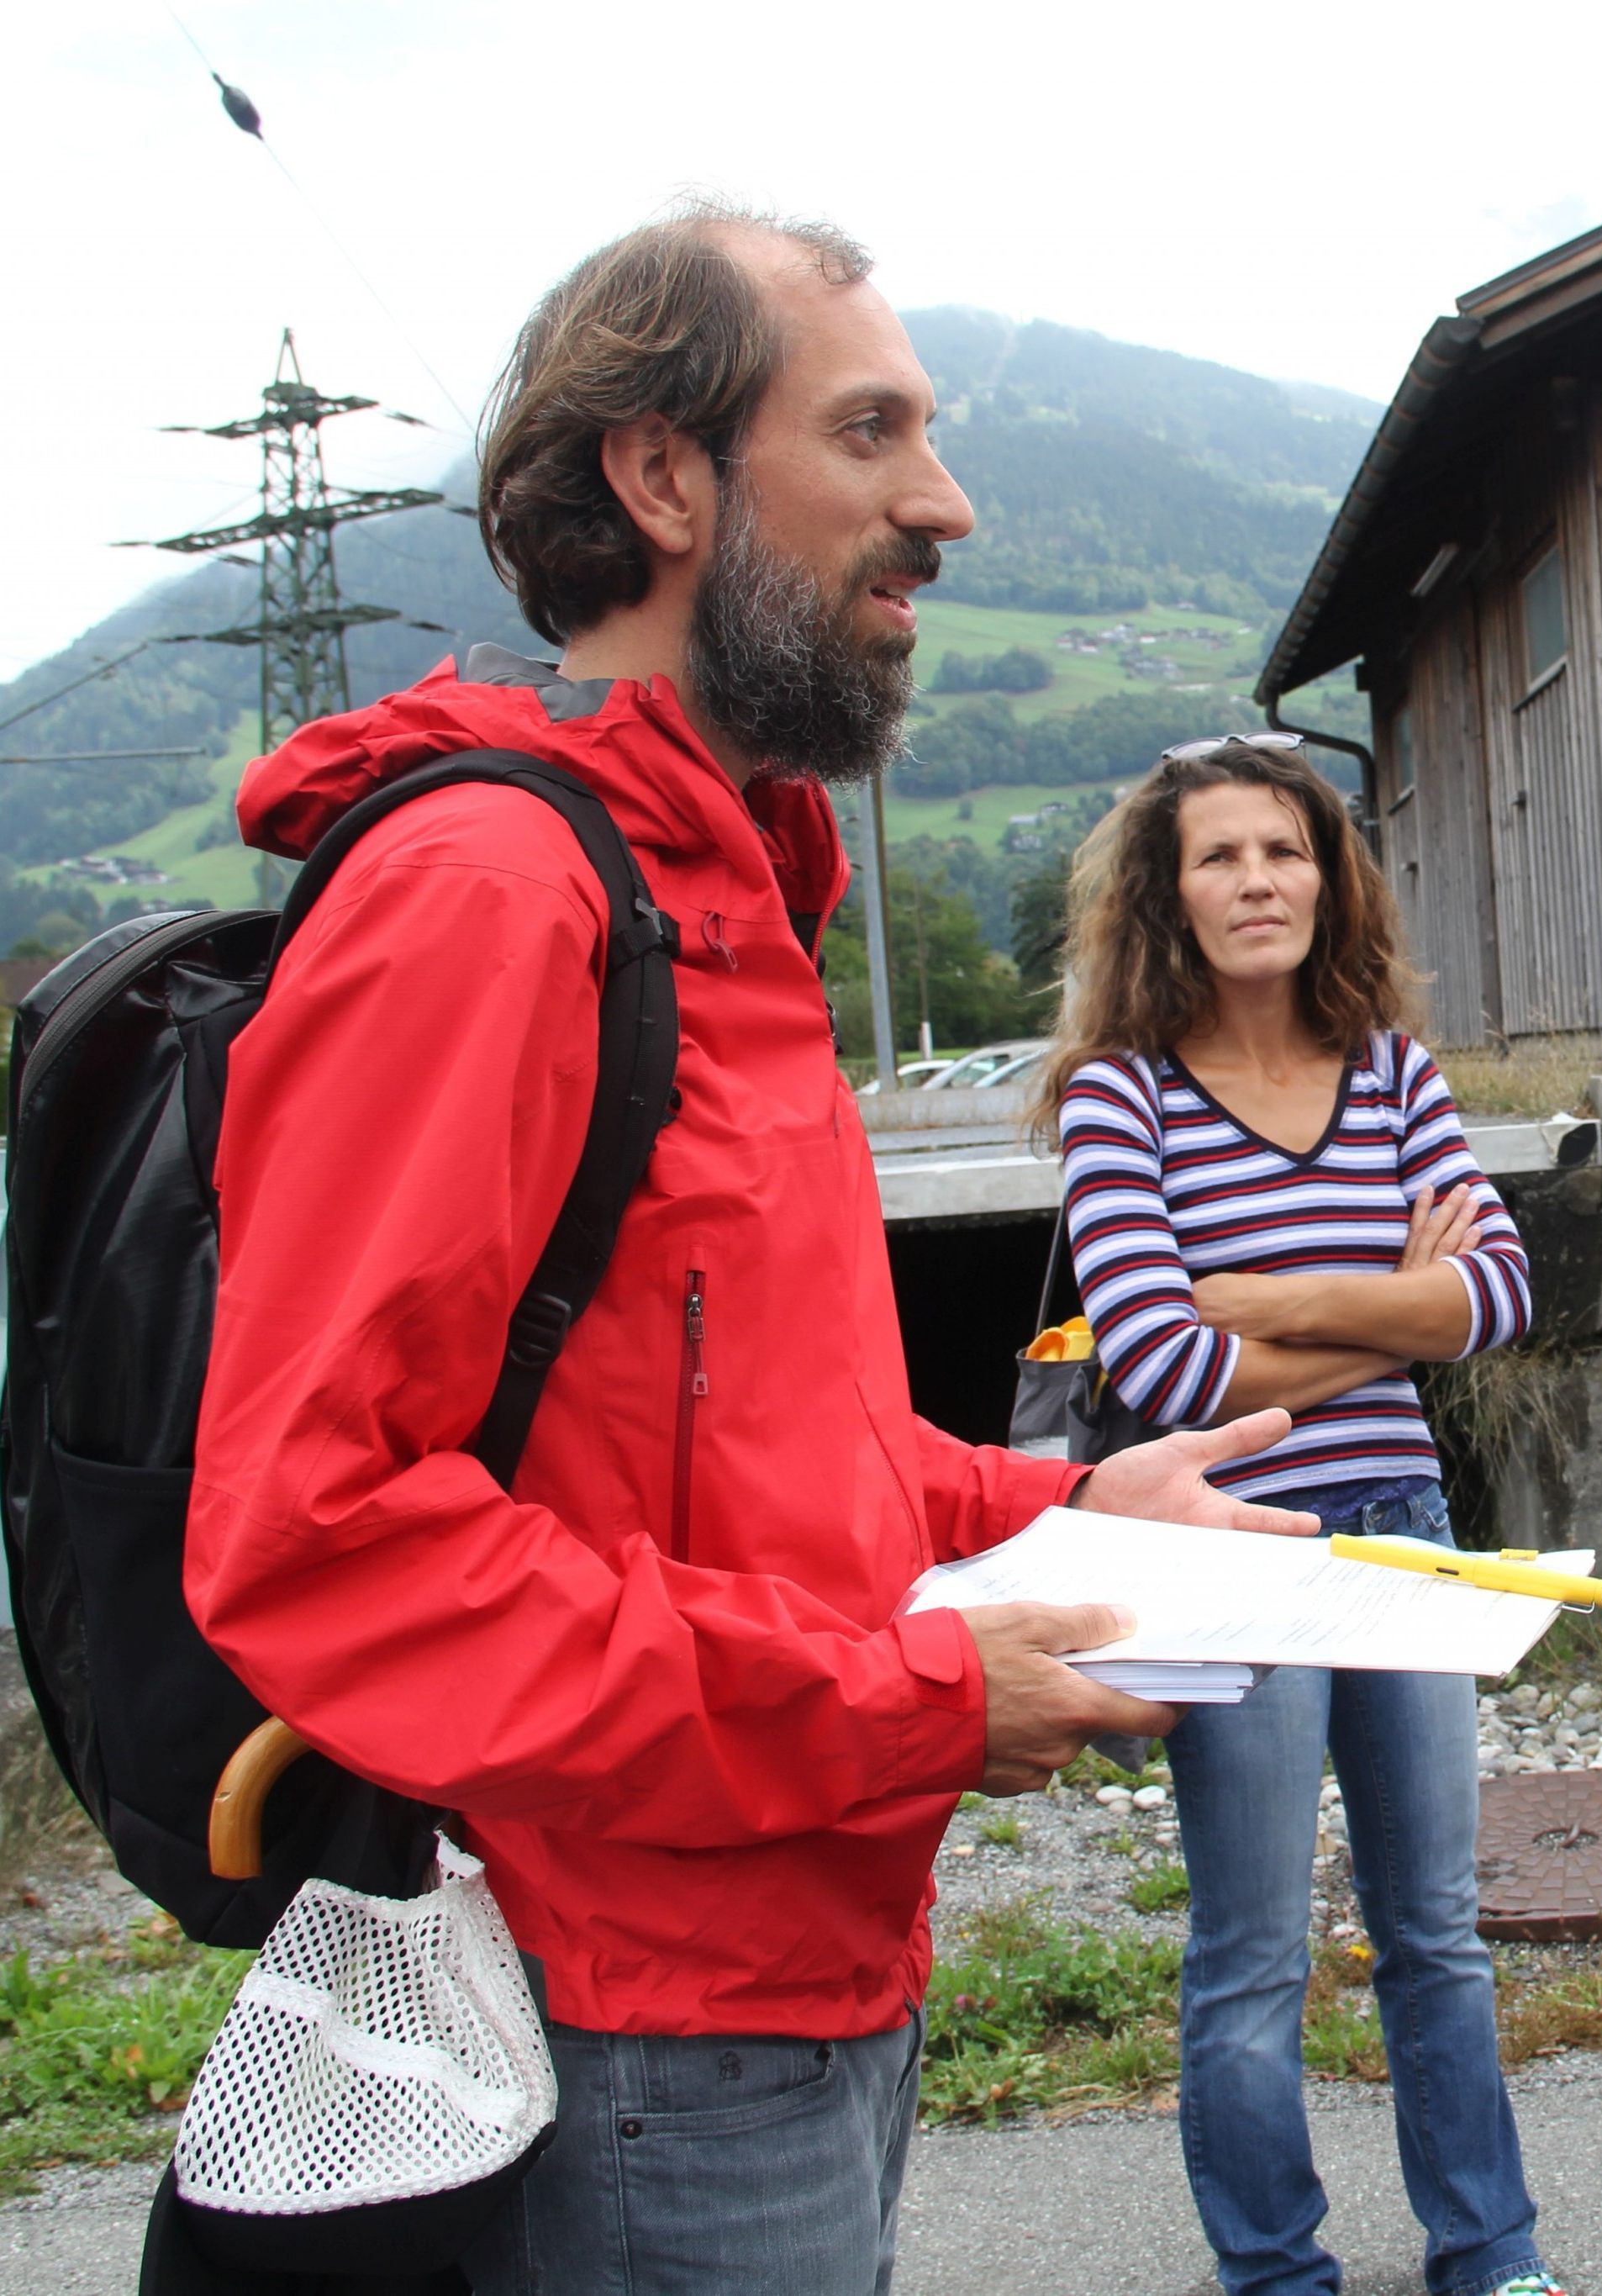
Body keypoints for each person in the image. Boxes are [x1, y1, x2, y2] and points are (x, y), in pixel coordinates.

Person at [186, 203, 1316, 2296]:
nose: (946, 504)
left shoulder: (727, 897)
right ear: (666, 477)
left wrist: (1068, 1503)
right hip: (624, 2019)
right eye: (872, 430)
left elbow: (769, 1454)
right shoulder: (489, 898)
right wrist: (908, 1690)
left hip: (807, 1972)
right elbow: (320, 1536)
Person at [1038, 734, 1564, 2296]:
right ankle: (1276, 2274)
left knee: (1438, 1934)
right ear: (1167, 894)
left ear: (1328, 878)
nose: (1256, 880)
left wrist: (1272, 1293)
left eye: (1284, 850)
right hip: (1228, 1540)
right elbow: (1156, 1354)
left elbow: (1502, 1294)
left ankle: (1492, 2252)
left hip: (1402, 1520)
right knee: (1253, 1952)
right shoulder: (1115, 1092)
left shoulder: (1393, 1068)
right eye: (1219, 856)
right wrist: (1399, 1303)